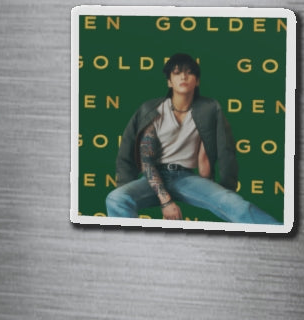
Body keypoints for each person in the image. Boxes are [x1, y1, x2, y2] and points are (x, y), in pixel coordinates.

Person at [106, 52, 281, 224]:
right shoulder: (153, 110)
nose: (183, 76)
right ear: (169, 81)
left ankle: (279, 237)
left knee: (238, 205)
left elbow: (222, 151)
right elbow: (147, 162)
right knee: (116, 198)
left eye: (189, 73)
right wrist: (166, 201)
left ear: (197, 81)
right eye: (177, 73)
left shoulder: (208, 109)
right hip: (153, 177)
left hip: (186, 178)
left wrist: (224, 190)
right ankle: (134, 241)